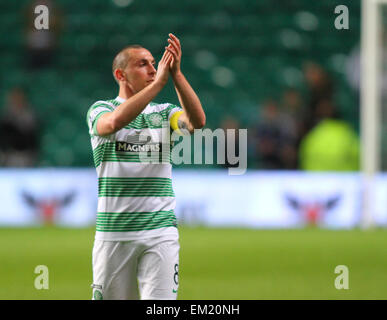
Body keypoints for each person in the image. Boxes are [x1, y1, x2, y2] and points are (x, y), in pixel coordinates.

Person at [86, 33, 205, 300]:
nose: (153, 69)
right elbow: (113, 124)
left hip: (160, 230)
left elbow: (195, 123)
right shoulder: (100, 109)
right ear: (121, 74)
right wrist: (158, 83)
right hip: (114, 234)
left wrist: (176, 75)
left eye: (154, 63)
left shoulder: (164, 112)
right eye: (143, 64)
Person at [0, 87, 39, 167]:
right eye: (14, 99)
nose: (16, 101)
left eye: (18, 99)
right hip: (10, 154)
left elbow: (28, 136)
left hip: (25, 154)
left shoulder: (29, 115)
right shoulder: (7, 115)